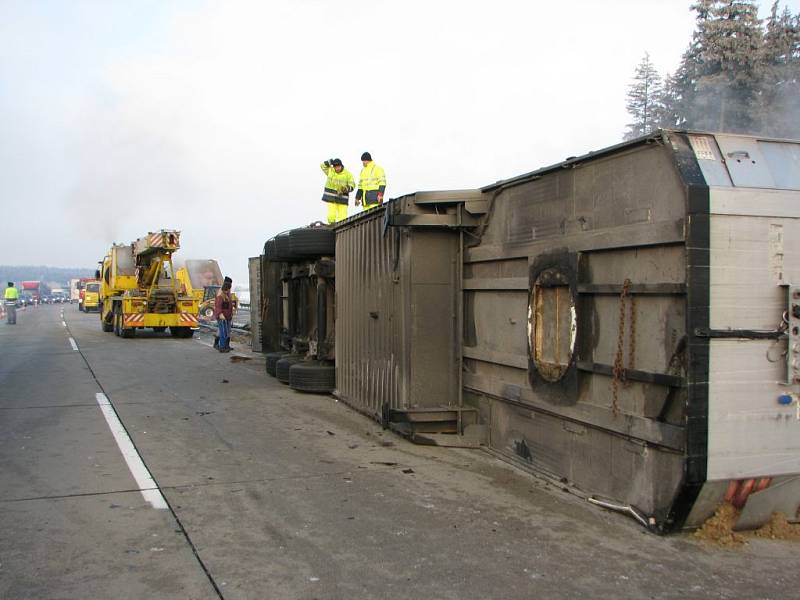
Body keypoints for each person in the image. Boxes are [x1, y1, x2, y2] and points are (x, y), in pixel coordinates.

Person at [320, 158, 355, 224]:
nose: (337, 168)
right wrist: (330, 161)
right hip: (331, 198)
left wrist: (345, 189)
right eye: (335, 167)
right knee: (331, 216)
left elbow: (352, 185)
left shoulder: (348, 174)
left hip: (342, 199)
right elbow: (322, 166)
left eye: (338, 166)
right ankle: (332, 227)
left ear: (341, 165)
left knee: (343, 217)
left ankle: (342, 229)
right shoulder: (330, 170)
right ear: (333, 166)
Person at [214, 276, 234, 353]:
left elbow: (228, 305)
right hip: (222, 317)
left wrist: (231, 313)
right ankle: (221, 346)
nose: (230, 290)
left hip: (227, 316)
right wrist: (220, 314)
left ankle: (225, 346)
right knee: (222, 332)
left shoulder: (227, 293)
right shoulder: (221, 294)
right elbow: (218, 306)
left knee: (226, 331)